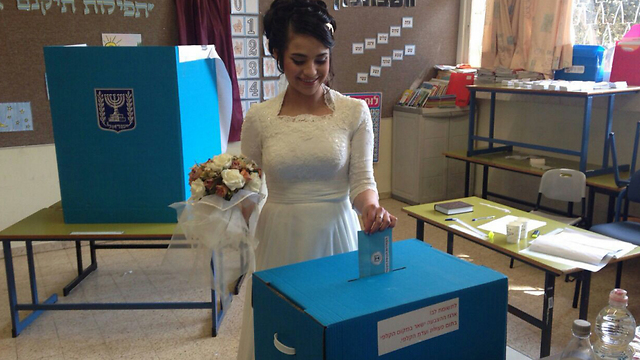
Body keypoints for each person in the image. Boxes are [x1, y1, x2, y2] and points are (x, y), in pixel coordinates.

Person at [237, 0, 397, 358]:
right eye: (299, 59)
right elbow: (249, 187)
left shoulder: (354, 112)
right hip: (280, 235)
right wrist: (225, 201)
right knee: (283, 331)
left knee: (337, 326)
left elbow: (361, 181)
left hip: (336, 232)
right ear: (277, 54)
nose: (311, 71)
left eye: (321, 59)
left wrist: (371, 209)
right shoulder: (260, 117)